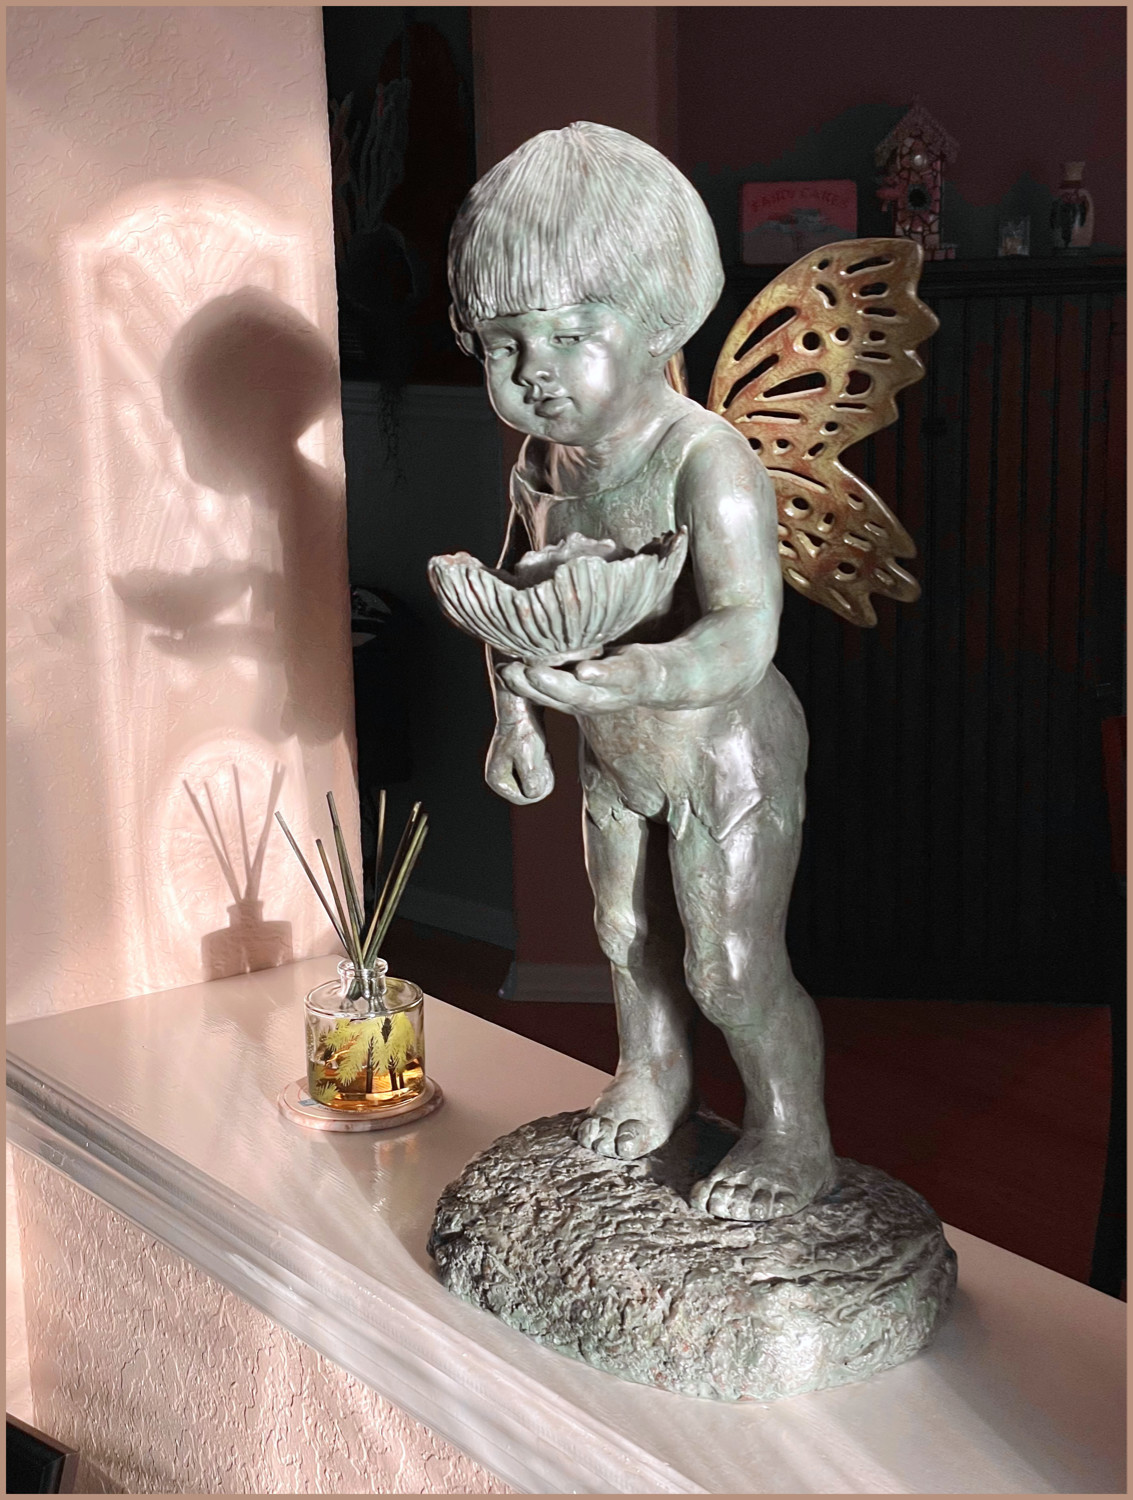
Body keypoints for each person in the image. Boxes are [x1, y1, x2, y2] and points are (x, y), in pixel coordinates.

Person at [447, 122, 837, 1221]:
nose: (535, 370)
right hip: (613, 747)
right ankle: (654, 1074)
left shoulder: (704, 460)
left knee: (727, 963)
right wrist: (513, 720)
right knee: (624, 937)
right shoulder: (539, 466)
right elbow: (515, 602)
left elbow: (744, 632)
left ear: (658, 320)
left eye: (573, 332)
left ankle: (790, 1129)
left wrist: (630, 679)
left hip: (723, 746)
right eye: (503, 344)